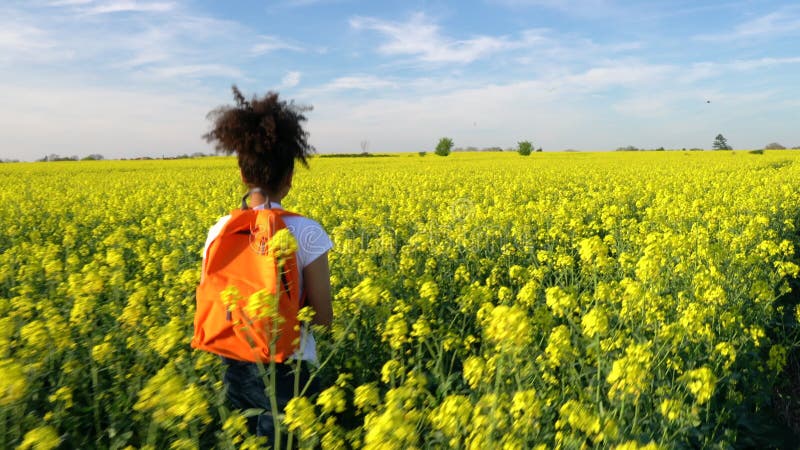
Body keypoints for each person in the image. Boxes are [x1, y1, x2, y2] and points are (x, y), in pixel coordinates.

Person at [201, 86, 333, 443]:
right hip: (290, 368)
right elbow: (322, 317)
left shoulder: (218, 230)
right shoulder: (306, 231)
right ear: (290, 176)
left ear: (243, 174)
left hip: (235, 360)